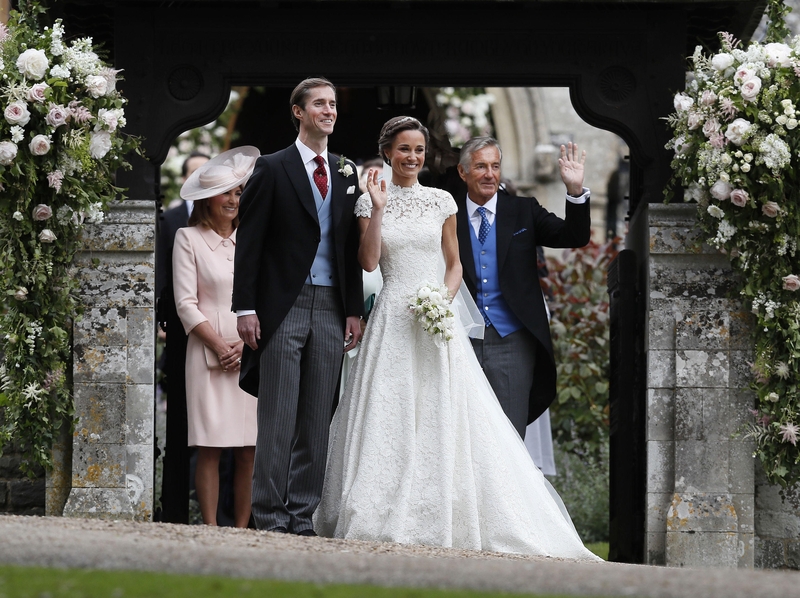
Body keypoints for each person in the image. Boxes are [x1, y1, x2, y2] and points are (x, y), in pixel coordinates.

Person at [314, 116, 599, 560]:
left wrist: (440, 302)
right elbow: (369, 263)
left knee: (474, 428)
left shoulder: (479, 206)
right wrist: (378, 206)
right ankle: (393, 511)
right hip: (398, 320)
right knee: (396, 416)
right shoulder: (388, 202)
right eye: (404, 149)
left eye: (419, 150)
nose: (412, 157)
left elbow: (461, 264)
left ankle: (471, 514)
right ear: (389, 152)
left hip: (462, 328)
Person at [232, 77, 364, 536]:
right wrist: (244, 308)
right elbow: (249, 243)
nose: (329, 110)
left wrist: (353, 309)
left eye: (332, 103)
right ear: (298, 112)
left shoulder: (346, 172)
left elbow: (349, 250)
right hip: (282, 307)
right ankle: (268, 516)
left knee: (316, 418)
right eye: (319, 104)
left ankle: (302, 516)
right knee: (278, 416)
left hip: (331, 306)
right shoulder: (271, 167)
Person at [456, 137, 591, 439]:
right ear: (463, 172)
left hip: (512, 341)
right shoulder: (447, 213)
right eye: (480, 167)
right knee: (461, 436)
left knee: (508, 438)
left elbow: (574, 235)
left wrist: (574, 190)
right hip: (460, 339)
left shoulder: (523, 210)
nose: (490, 174)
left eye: (495, 166)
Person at [173, 146, 261, 527]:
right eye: (226, 192)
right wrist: (220, 345)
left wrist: (244, 345)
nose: (232, 200)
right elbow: (185, 303)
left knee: (248, 449)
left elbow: (266, 296)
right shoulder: (187, 238)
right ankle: (209, 528)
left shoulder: (253, 238)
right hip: (207, 354)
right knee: (209, 447)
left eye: (238, 192)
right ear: (207, 200)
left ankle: (242, 530)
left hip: (251, 350)